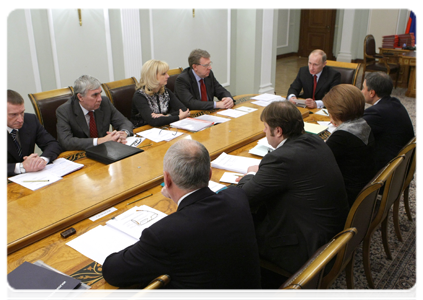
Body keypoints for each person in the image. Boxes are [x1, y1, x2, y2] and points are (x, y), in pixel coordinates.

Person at [102, 139, 263, 300]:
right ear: (209, 174)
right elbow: (241, 186)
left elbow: (113, 272)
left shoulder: (164, 233)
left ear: (167, 179)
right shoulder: (237, 198)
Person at [236, 101, 349, 286]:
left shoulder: (282, 158)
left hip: (307, 245)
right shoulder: (314, 141)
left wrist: (250, 173)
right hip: (331, 233)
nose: (264, 132)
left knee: (235, 232)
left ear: (278, 131)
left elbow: (244, 197)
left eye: (266, 128)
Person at [323, 84, 377, 207]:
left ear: (337, 112)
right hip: (362, 190)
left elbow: (315, 163)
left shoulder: (341, 137)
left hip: (346, 199)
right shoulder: (363, 124)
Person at [56, 75, 134, 151]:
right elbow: (66, 141)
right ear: (80, 97)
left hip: (104, 151)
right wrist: (100, 140)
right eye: (95, 95)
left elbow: (124, 122)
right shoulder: (65, 111)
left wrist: (123, 133)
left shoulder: (104, 102)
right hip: (81, 154)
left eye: (100, 93)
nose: (100, 99)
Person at [362, 72, 414, 172]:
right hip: (401, 163)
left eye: (364, 88)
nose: (362, 91)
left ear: (372, 93)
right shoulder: (394, 102)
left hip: (386, 168)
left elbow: (352, 128)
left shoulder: (377, 112)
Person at [5, 89, 62, 177]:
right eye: (14, 115)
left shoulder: (30, 120)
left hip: (32, 178)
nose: (20, 119)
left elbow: (52, 143)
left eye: (22, 112)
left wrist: (42, 160)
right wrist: (22, 167)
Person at [131, 60, 190, 127]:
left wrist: (166, 116)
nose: (168, 76)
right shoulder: (140, 96)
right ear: (152, 76)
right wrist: (178, 117)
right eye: (163, 74)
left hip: (162, 127)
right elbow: (154, 121)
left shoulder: (165, 91)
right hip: (143, 130)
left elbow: (184, 110)